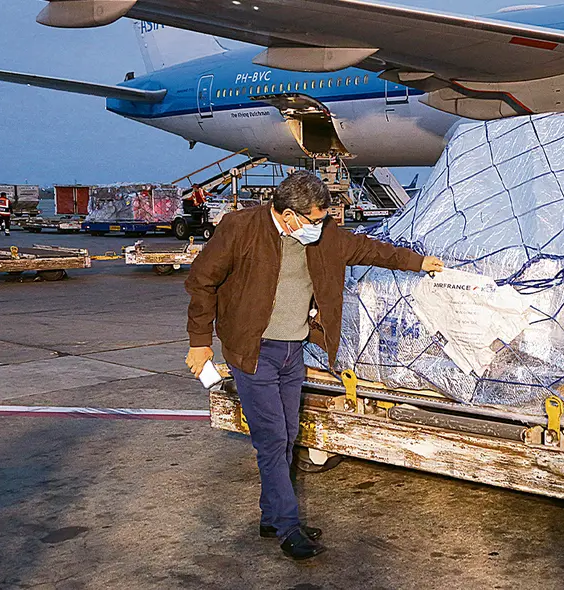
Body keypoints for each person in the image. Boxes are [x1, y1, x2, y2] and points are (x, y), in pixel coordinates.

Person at [184, 170, 443, 561]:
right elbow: (201, 282)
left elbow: (370, 250)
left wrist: (419, 262)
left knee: (287, 434)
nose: (320, 227)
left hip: (293, 350)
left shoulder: (322, 235)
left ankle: (271, 517)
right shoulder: (241, 228)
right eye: (314, 220)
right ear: (288, 215)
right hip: (253, 350)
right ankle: (288, 528)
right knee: (272, 438)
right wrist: (200, 343)